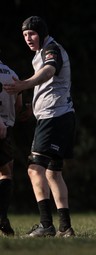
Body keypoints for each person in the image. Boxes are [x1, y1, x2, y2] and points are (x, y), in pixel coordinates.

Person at [4, 16, 76, 237]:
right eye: (25, 35)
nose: (28, 38)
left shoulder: (50, 49)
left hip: (54, 117)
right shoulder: (41, 53)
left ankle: (46, 225)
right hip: (62, 116)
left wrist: (23, 84)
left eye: (32, 34)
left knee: (34, 169)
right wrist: (29, 106)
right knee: (54, 173)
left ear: (42, 33)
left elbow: (49, 71)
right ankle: (65, 227)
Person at [0, 59, 23, 236]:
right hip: (5, 129)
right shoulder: (12, 74)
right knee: (6, 173)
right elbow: (18, 106)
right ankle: (2, 217)